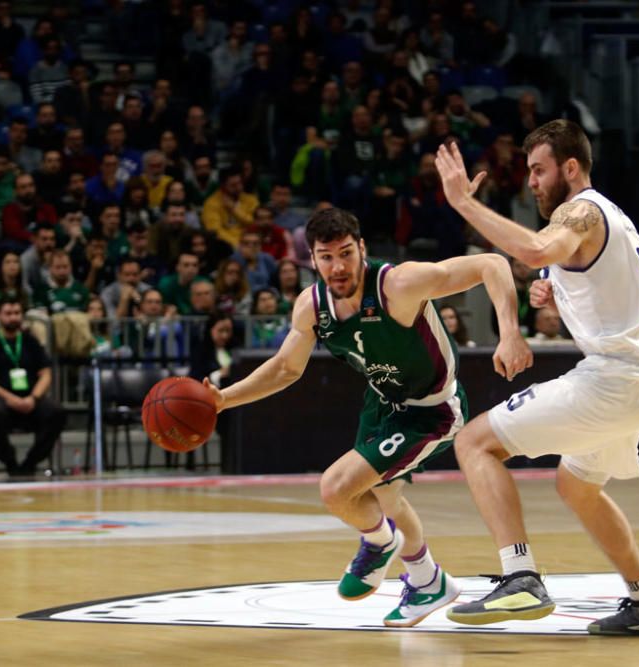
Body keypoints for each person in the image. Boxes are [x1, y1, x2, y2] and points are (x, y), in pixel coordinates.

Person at [203, 207, 530, 627]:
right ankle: (429, 580)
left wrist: (510, 333)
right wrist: (223, 400)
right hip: (382, 405)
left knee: (337, 489)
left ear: (361, 249)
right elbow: (286, 368)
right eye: (326, 257)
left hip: (432, 411)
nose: (337, 267)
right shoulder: (312, 306)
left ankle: (378, 541)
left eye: (345, 253)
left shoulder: (398, 284)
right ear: (312, 259)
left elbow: (492, 264)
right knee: (387, 498)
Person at [434, 120, 639, 636]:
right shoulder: (610, 218)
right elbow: (564, 267)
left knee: (475, 443)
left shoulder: (583, 208)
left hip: (613, 382)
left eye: (539, 170)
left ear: (571, 168)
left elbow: (536, 251)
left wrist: (463, 203)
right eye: (528, 171)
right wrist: (550, 289)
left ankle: (519, 576)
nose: (531, 182)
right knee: (577, 485)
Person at [0, 298, 66, 476]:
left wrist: (33, 398)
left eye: (17, 313)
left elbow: (46, 374)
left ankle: (31, 461)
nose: (13, 318)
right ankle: (8, 458)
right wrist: (9, 398)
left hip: (29, 400)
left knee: (55, 411)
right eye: (8, 313)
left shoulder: (31, 342)